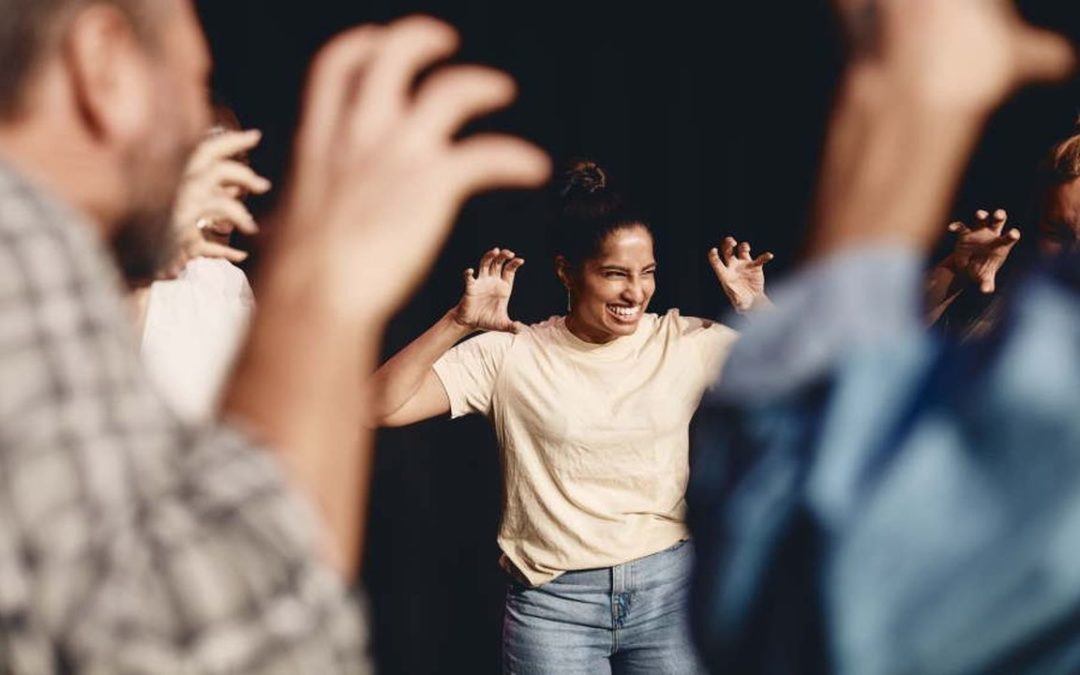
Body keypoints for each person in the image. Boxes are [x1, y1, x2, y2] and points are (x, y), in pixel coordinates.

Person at [0, 1, 550, 671]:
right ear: (104, 62)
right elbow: (230, 644)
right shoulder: (22, 241)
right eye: (194, 83)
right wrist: (320, 279)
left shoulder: (191, 278)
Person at [686, 0, 1077, 673]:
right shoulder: (1014, 315)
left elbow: (800, 585)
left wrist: (903, 113)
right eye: (1059, 235)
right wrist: (954, 274)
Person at [370, 160, 772, 674]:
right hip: (554, 608)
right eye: (615, 274)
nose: (635, 292)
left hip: (668, 594)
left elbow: (810, 384)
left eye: (647, 273)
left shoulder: (682, 342)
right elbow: (377, 406)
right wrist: (458, 322)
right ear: (566, 271)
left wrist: (755, 306)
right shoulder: (510, 354)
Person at [137, 105, 266, 422]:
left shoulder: (230, 283)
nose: (235, 185)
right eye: (214, 162)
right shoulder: (125, 265)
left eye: (240, 164)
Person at [926, 123, 1080, 339]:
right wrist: (954, 275)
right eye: (1057, 233)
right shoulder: (1004, 303)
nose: (1074, 253)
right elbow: (892, 334)